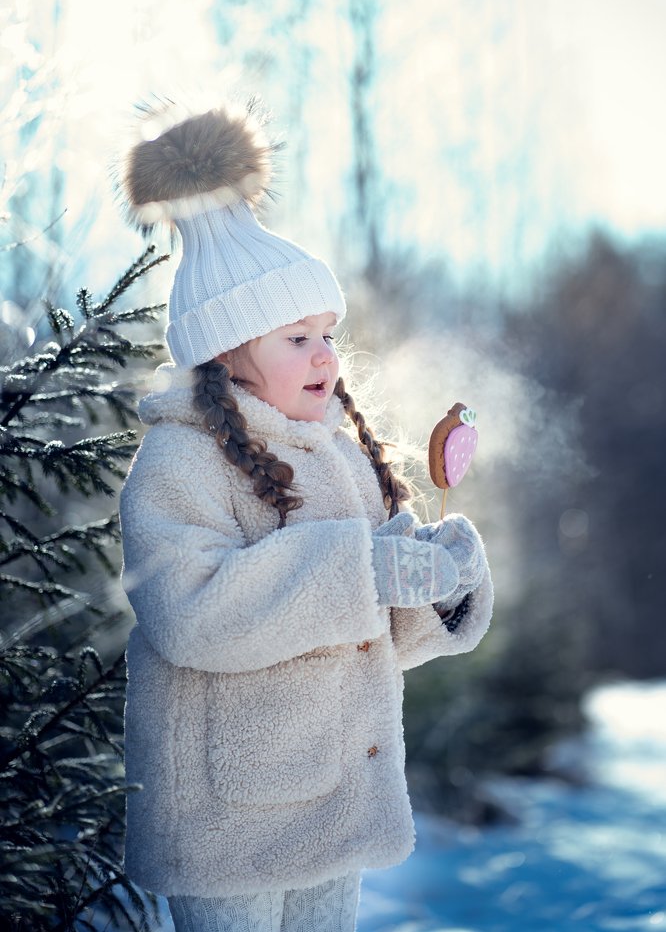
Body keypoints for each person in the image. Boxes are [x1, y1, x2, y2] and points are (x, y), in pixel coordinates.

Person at [117, 96, 493, 932]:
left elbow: (373, 630)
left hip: (336, 797)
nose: (327, 354)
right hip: (230, 819)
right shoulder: (182, 460)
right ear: (227, 352)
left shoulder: (342, 457)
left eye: (328, 332)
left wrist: (436, 588)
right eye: (298, 338)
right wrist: (361, 569)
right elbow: (192, 611)